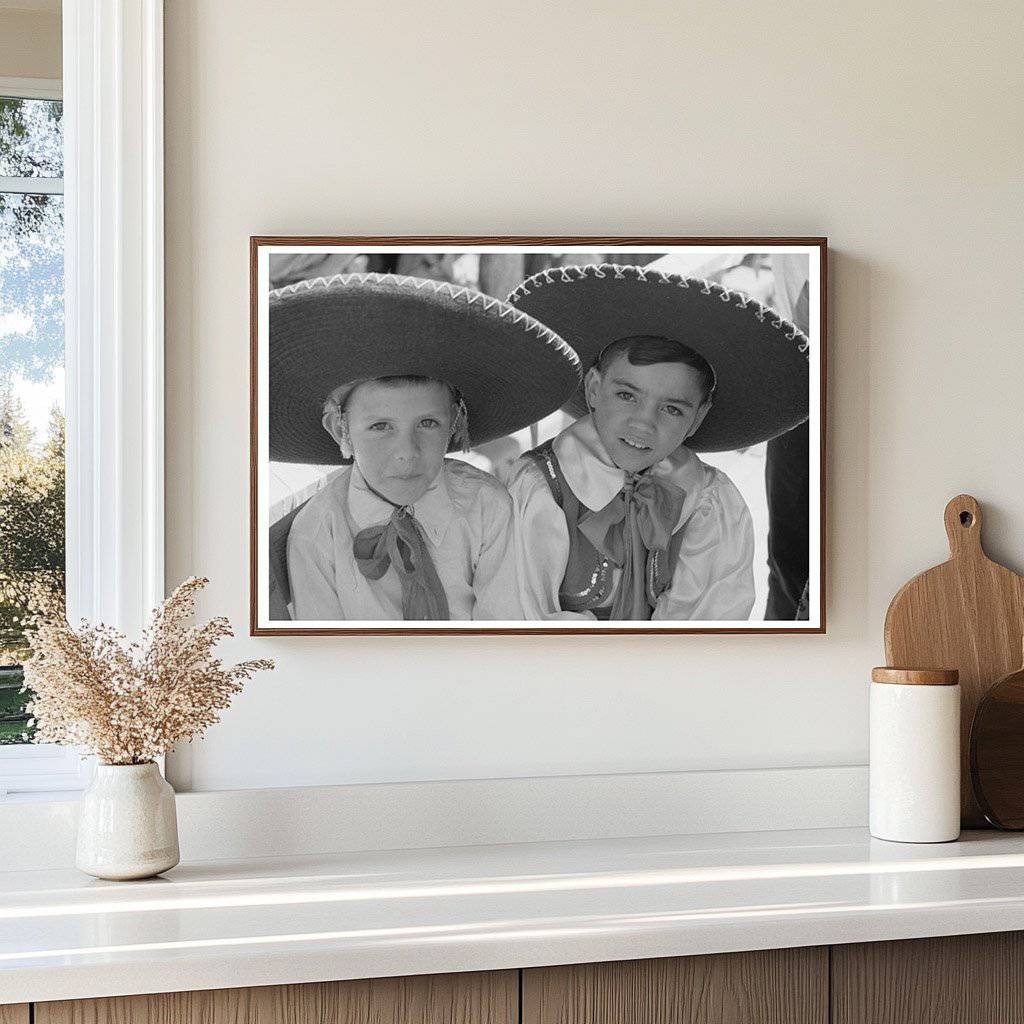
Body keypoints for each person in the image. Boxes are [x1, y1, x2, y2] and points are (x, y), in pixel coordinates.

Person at [267, 271, 581, 622]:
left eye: (428, 424)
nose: (408, 452)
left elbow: (502, 628)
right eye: (380, 427)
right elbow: (327, 659)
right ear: (340, 429)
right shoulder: (317, 534)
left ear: (455, 424)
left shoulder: (485, 505)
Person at [506, 263, 809, 622]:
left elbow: (710, 623)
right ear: (593, 389)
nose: (644, 423)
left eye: (672, 409)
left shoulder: (708, 501)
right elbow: (518, 616)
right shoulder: (542, 488)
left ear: (697, 418)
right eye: (626, 395)